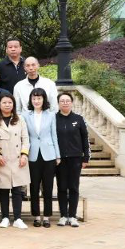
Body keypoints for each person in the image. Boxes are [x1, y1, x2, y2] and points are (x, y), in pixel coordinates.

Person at [0, 92, 30, 230]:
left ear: (13, 104)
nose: (7, 105)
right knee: (3, 190)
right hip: (2, 160)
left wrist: (24, 155)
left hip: (18, 159)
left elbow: (25, 139)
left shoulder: (20, 119)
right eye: (4, 102)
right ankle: (5, 217)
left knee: (17, 190)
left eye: (10, 102)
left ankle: (18, 218)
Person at [23, 88, 60, 228]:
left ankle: (47, 216)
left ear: (44, 99)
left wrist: (57, 155)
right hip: (32, 154)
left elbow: (54, 135)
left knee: (48, 187)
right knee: (34, 187)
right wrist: (24, 153)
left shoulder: (51, 115)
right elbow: (25, 136)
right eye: (34, 98)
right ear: (31, 100)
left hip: (49, 154)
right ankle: (37, 216)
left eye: (39, 98)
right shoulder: (25, 115)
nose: (36, 101)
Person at [56, 92, 90, 227]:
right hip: (59, 159)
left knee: (74, 187)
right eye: (62, 101)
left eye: (67, 101)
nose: (65, 103)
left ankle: (73, 216)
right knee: (62, 187)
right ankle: (63, 215)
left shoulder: (79, 119)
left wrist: (86, 157)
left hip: (75, 158)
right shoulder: (54, 119)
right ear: (58, 103)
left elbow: (85, 139)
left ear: (71, 103)